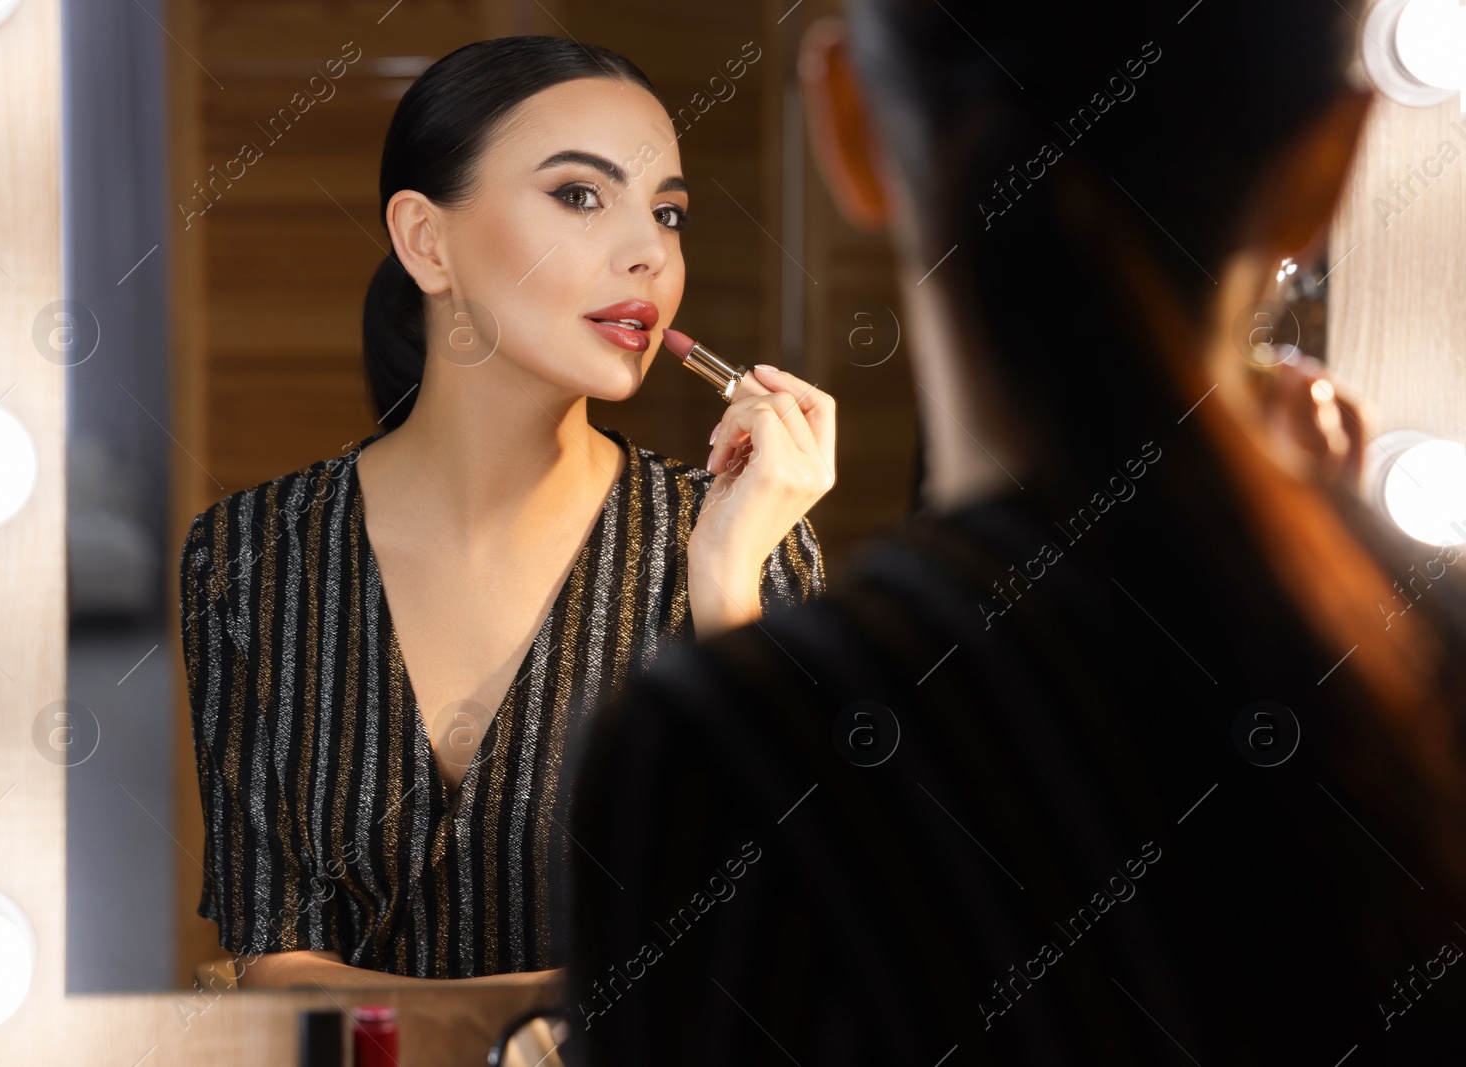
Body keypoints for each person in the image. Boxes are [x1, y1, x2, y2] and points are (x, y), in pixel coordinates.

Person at [560, 1, 1466, 1062]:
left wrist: (736, 631)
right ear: (1334, 161)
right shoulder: (1417, 654)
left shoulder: (721, 739)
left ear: (845, 122)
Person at [177, 35, 835, 987]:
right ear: (425, 241)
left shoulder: (750, 545)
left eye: (668, 212)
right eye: (580, 195)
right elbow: (277, 968)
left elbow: (790, 933)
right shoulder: (248, 554)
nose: (650, 250)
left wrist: (728, 587)